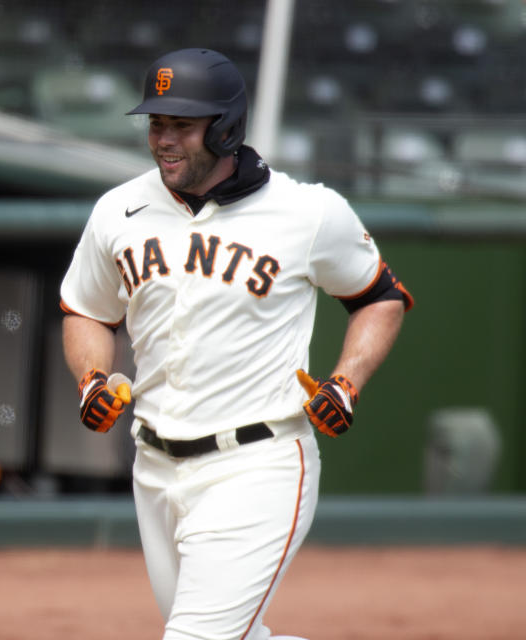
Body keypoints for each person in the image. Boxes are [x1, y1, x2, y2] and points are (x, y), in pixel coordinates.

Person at [60, 48, 412, 640]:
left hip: (259, 463)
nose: (164, 140)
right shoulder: (118, 209)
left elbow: (380, 296)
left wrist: (346, 382)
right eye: (156, 123)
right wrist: (93, 377)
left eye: (181, 125)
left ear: (225, 128)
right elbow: (86, 311)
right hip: (154, 467)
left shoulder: (307, 212)